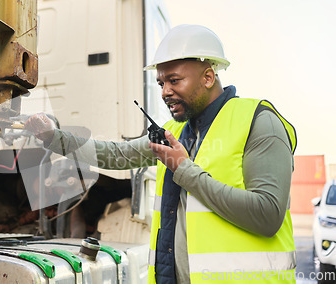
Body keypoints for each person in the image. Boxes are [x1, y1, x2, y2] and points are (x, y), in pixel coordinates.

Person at [25, 24, 297, 284]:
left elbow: (268, 215)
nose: (166, 91)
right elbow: (116, 156)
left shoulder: (259, 122)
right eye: (161, 83)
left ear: (208, 77)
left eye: (174, 80)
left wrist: (184, 170)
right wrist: (53, 137)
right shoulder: (174, 132)